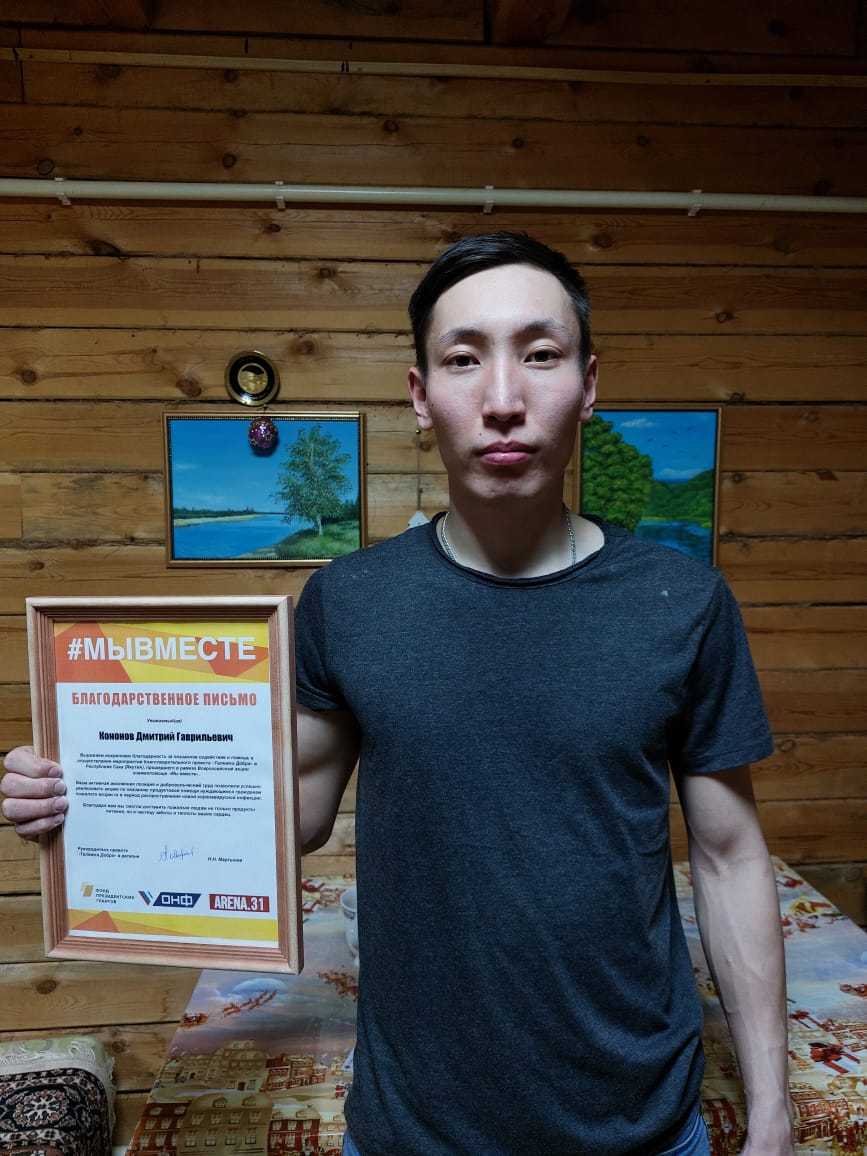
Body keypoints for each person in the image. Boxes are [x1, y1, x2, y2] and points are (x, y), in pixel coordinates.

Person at [2, 232, 796, 1156]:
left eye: (540, 354)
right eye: (464, 359)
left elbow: (730, 857)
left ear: (587, 385)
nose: (503, 399)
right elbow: (291, 815)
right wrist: (85, 795)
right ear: (420, 396)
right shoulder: (349, 601)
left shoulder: (683, 602)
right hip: (411, 1127)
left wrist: (771, 1114)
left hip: (640, 1121)